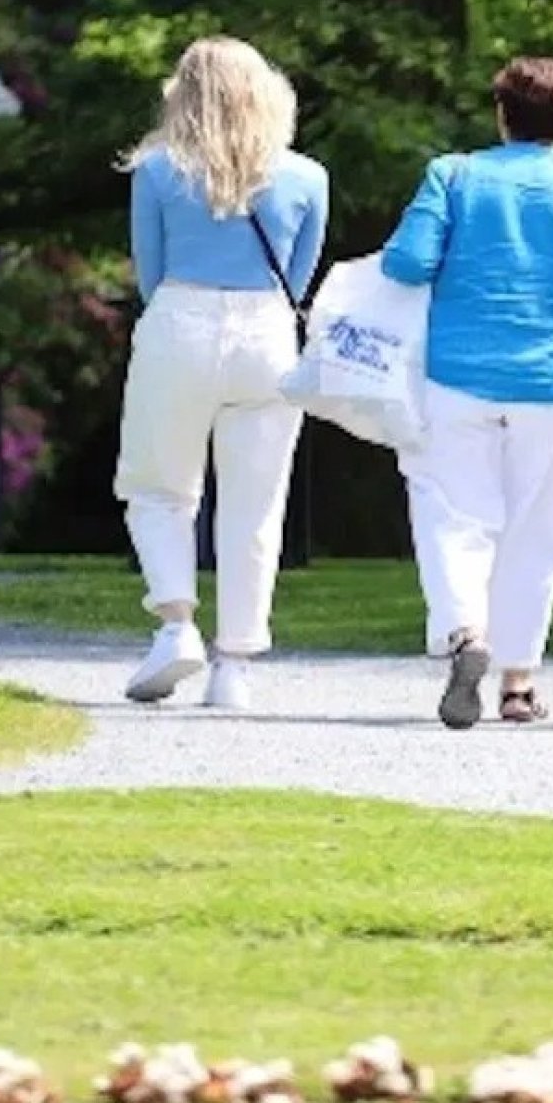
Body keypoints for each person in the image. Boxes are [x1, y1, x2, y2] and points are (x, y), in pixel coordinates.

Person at [382, 56, 553, 729]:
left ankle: (465, 636)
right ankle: (518, 684)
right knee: (536, 528)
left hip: (456, 375)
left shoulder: (452, 175)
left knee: (452, 514)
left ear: (501, 115)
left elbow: (407, 261)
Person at [115, 36, 328, 711]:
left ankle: (176, 624)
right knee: (255, 506)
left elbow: (149, 273)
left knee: (158, 487)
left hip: (181, 317)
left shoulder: (155, 171)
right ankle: (233, 664)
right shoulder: (306, 176)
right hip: (268, 332)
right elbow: (297, 278)